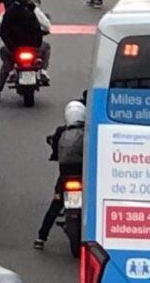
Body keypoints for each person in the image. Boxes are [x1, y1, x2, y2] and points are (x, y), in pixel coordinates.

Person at [34, 100, 86, 250]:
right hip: (84, 173)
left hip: (65, 174)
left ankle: (41, 237)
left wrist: (55, 155)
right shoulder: (89, 131)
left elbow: (54, 151)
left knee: (56, 203)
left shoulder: (60, 131)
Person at [0, 0, 46, 99]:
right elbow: (38, 29)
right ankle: (43, 70)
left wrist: (12, 46)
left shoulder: (9, 13)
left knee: (6, 62)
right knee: (46, 48)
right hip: (33, 48)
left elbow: (4, 31)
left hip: (15, 49)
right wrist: (37, 43)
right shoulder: (31, 12)